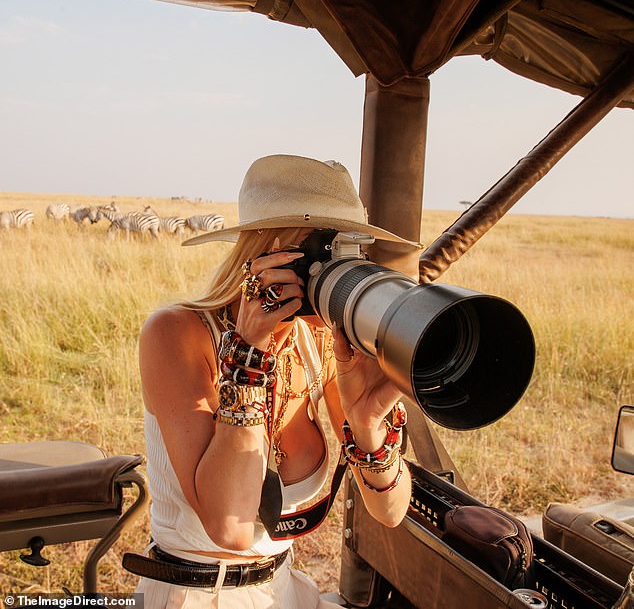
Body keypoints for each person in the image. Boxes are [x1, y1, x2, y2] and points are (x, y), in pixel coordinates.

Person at [131, 154, 422, 608]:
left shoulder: (319, 340)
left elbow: (390, 511)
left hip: (282, 588)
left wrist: (367, 427)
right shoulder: (176, 332)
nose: (331, 268)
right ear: (263, 249)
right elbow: (229, 527)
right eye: (318, 249)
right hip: (194, 595)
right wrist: (249, 354)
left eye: (347, 251)